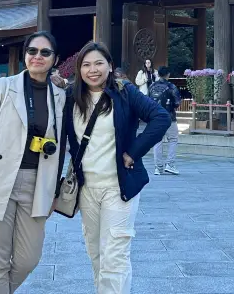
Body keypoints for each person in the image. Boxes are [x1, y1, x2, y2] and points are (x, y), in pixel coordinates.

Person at [0, 31, 67, 294]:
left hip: (38, 183)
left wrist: (55, 189)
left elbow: (62, 145)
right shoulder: (3, 87)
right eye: (32, 51)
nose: (38, 56)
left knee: (28, 259)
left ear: (54, 59)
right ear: (25, 56)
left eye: (45, 52)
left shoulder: (60, 96)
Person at [65, 41, 170, 293]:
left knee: (115, 256)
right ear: (79, 69)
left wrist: (133, 152)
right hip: (86, 188)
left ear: (110, 66)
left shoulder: (125, 92)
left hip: (118, 186)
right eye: (86, 65)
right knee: (96, 254)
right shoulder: (70, 97)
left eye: (99, 63)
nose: (93, 70)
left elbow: (161, 117)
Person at [149, 66, 181, 176]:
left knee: (157, 141)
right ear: (168, 74)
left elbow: (147, 101)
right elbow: (177, 102)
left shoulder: (152, 86)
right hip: (169, 117)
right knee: (173, 139)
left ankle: (158, 167)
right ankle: (170, 164)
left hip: (155, 117)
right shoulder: (171, 86)